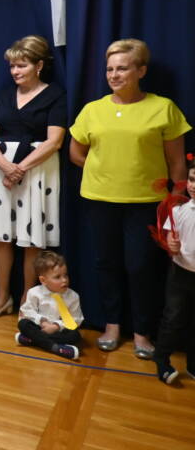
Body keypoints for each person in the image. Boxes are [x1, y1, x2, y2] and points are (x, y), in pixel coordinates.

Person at [69, 38, 190, 358]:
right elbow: (76, 153)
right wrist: (105, 171)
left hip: (146, 203)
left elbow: (177, 163)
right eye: (110, 69)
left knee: (141, 267)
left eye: (122, 68)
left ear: (141, 71)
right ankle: (111, 326)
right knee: (106, 263)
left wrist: (176, 201)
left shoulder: (163, 108)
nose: (114, 75)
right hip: (100, 200)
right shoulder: (92, 110)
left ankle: (142, 332)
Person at [0, 35, 67, 318]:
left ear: (39, 66)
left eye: (22, 65)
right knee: (1, 237)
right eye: (12, 66)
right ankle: (3, 297)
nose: (15, 71)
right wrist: (6, 166)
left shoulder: (55, 95)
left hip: (37, 172)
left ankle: (28, 298)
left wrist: (20, 169)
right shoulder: (3, 95)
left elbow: (55, 141)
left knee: (32, 238)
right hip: (0, 170)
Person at [152, 161, 195, 384]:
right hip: (180, 274)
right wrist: (172, 246)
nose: (193, 186)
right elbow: (170, 240)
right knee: (173, 318)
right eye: (192, 180)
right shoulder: (179, 211)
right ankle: (161, 359)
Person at [15, 251, 83, 361]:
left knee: (75, 336)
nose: (64, 280)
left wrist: (56, 326)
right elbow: (26, 311)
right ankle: (55, 348)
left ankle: (32, 340)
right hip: (40, 327)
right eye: (57, 277)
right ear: (43, 280)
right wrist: (42, 321)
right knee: (23, 324)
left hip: (59, 330)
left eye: (65, 275)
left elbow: (76, 319)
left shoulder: (73, 296)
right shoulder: (34, 293)